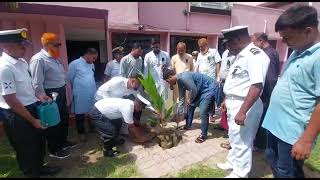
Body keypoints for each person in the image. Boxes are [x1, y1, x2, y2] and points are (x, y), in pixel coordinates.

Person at [262, 5, 320, 178]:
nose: (284, 42)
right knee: (272, 159)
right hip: (275, 125)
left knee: (288, 172)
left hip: (293, 132)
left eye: (287, 38)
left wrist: (306, 140)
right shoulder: (298, 51)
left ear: (308, 31)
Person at [0, 28, 61, 177]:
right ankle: (32, 173)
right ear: (5, 46)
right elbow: (11, 100)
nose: (24, 48)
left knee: (38, 142)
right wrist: (32, 120)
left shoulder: (21, 62)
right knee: (26, 146)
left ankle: (40, 168)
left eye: (25, 44)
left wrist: (40, 96)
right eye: (20, 45)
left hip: (32, 106)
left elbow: (27, 87)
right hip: (16, 113)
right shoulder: (4, 68)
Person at [216, 25, 270, 178]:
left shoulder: (255, 55)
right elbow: (237, 82)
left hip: (245, 105)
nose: (228, 47)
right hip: (235, 102)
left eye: (230, 43)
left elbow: (256, 86)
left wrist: (242, 111)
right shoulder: (241, 55)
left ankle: (240, 173)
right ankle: (233, 162)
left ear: (238, 39)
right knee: (234, 136)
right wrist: (227, 99)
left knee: (243, 140)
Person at [30, 32, 75, 159]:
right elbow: (36, 82)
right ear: (47, 44)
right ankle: (54, 149)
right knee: (53, 122)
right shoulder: (39, 59)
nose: (58, 48)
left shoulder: (54, 58)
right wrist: (43, 97)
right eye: (56, 45)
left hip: (60, 91)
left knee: (64, 117)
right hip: (49, 94)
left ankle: (63, 142)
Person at [163, 68, 222, 143]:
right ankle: (188, 125)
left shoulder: (184, 77)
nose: (169, 84)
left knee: (203, 112)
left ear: (170, 76)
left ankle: (203, 135)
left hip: (209, 88)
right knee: (190, 106)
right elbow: (181, 98)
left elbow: (194, 90)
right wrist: (179, 113)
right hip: (200, 90)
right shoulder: (180, 81)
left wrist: (190, 100)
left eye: (168, 81)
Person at [88, 94, 155, 157]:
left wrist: (142, 125)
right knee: (110, 132)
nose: (141, 110)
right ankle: (107, 151)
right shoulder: (128, 107)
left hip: (102, 108)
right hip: (97, 112)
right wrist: (140, 138)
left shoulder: (130, 103)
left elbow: (131, 119)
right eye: (142, 108)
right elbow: (131, 126)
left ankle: (113, 141)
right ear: (139, 106)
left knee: (118, 122)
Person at [251, 32, 280, 151]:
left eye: (254, 42)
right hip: (265, 93)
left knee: (262, 120)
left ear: (261, 41)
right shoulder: (267, 52)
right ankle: (259, 144)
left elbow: (271, 77)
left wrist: (266, 95)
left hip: (266, 94)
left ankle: (260, 145)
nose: (253, 45)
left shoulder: (269, 54)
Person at [68, 48, 98, 142]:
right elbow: (69, 78)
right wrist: (79, 86)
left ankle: (92, 128)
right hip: (80, 93)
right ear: (87, 54)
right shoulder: (74, 64)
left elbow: (92, 76)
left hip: (92, 92)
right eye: (93, 58)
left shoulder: (92, 64)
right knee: (80, 113)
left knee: (91, 110)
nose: (94, 60)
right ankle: (81, 133)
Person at [196, 38, 222, 122]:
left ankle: (212, 114)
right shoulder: (199, 54)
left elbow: (218, 63)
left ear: (206, 45)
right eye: (199, 47)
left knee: (211, 97)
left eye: (202, 46)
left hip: (211, 79)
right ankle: (204, 113)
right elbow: (197, 66)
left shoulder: (213, 52)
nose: (200, 48)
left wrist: (218, 76)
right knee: (202, 97)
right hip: (201, 80)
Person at [218, 41, 236, 150]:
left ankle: (229, 132)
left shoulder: (236, 55)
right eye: (226, 45)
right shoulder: (225, 53)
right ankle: (224, 126)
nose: (227, 46)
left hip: (231, 85)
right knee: (223, 106)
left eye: (229, 44)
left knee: (230, 109)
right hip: (223, 82)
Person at [170, 42, 193, 116]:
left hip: (187, 81)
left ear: (185, 49)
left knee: (186, 98)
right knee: (176, 98)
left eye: (182, 50)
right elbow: (172, 71)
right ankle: (175, 114)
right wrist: (171, 83)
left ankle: (185, 114)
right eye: (178, 50)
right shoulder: (174, 58)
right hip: (176, 82)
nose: (180, 52)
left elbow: (192, 70)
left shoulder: (189, 57)